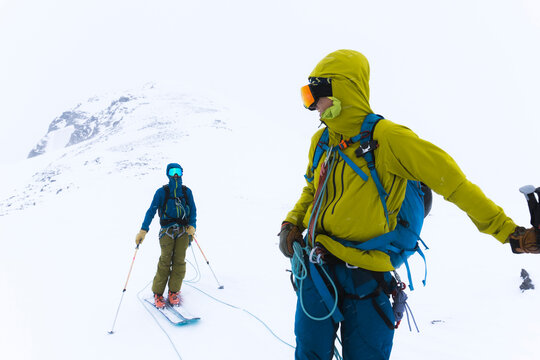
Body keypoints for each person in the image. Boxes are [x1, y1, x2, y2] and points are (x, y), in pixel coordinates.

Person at [278, 49, 539, 360]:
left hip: (367, 275)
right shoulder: (323, 142)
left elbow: (454, 185)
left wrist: (511, 233)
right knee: (308, 354)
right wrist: (292, 223)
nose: (312, 107)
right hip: (318, 267)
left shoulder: (388, 139)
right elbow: (312, 190)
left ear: (341, 90)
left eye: (315, 95)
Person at [135, 163, 197, 308]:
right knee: (165, 261)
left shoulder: (187, 192)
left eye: (178, 171)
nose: (175, 175)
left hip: (183, 231)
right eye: (172, 171)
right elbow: (151, 211)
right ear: (168, 174)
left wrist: (192, 226)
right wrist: (143, 230)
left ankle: (173, 292)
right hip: (166, 232)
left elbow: (193, 210)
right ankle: (158, 293)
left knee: (179, 262)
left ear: (182, 173)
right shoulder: (162, 192)